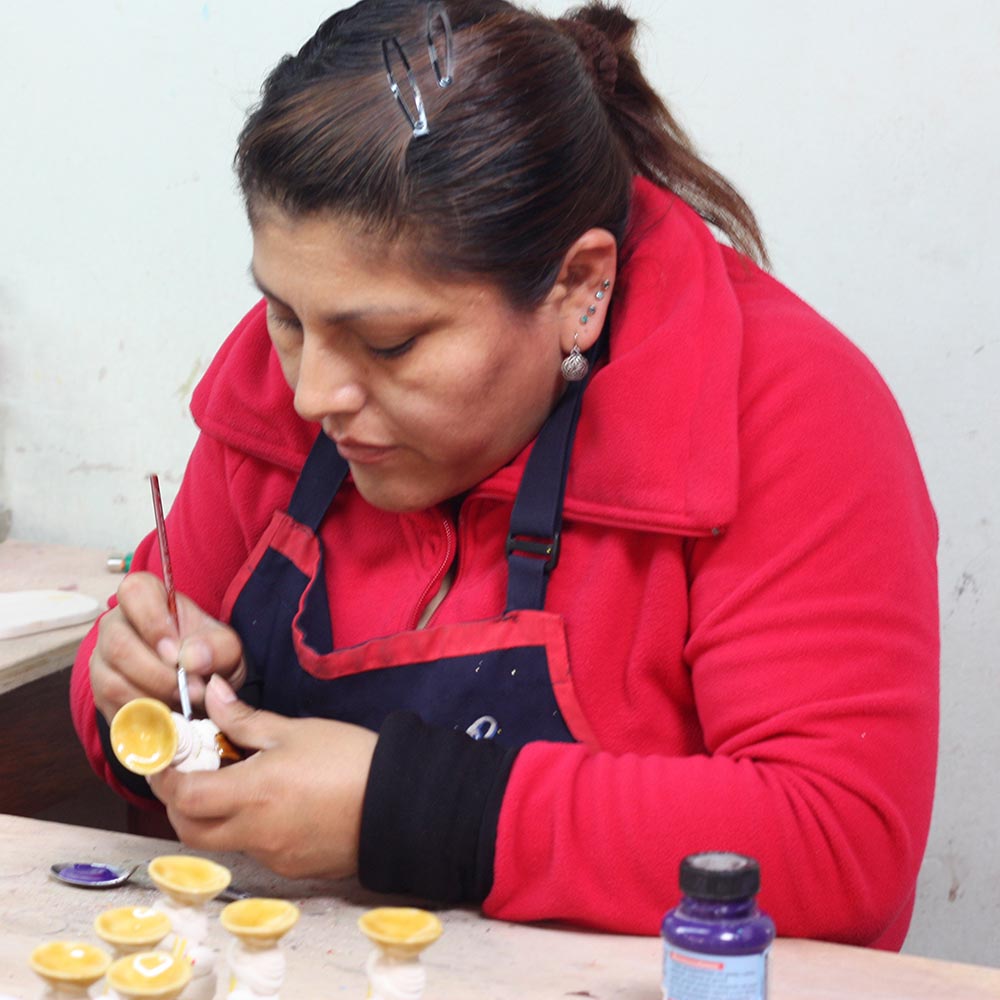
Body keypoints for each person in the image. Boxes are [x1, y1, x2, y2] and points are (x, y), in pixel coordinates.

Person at [70, 0, 939, 949]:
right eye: (284, 316)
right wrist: (142, 701)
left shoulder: (780, 409)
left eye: (391, 343)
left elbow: (838, 846)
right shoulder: (303, 363)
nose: (314, 391)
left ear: (579, 289)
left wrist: (408, 808)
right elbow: (151, 698)